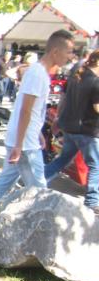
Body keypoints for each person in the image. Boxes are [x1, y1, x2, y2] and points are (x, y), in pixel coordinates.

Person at [0, 30, 75, 240]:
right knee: (40, 190)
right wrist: (20, 143)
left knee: (5, 182)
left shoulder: (38, 73)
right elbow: (25, 109)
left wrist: (36, 132)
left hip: (24, 139)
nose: (70, 57)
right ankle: (38, 236)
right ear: (55, 51)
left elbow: (30, 110)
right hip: (25, 143)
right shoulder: (37, 74)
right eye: (68, 52)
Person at [44, 49, 99, 215]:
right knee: (95, 165)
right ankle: (92, 201)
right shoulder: (95, 81)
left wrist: (58, 119)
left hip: (70, 128)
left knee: (63, 159)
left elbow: (63, 99)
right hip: (88, 130)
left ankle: (36, 180)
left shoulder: (76, 76)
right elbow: (97, 107)